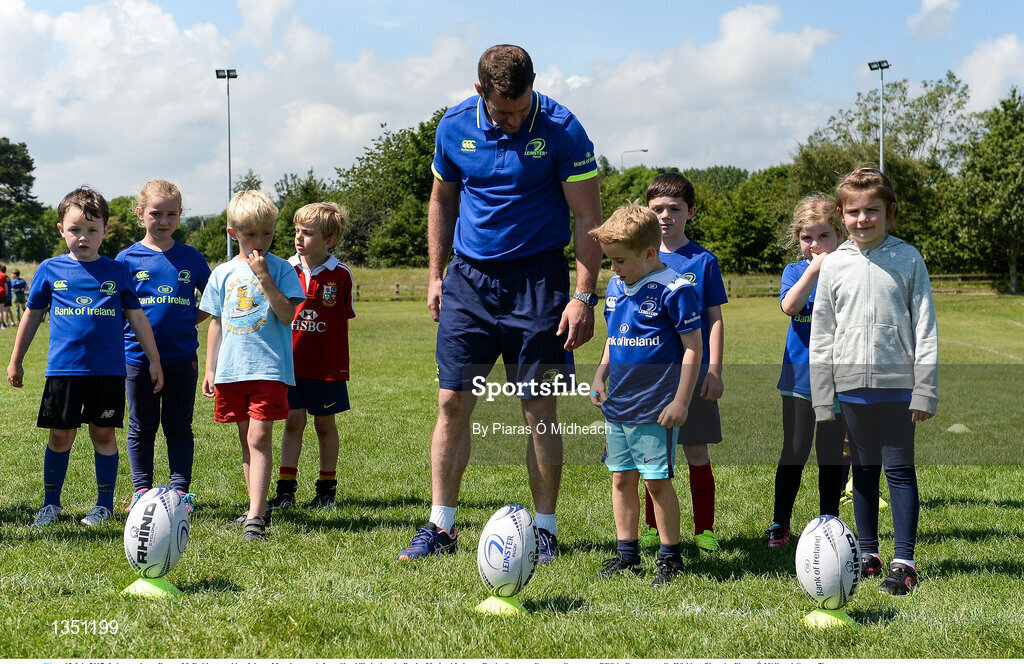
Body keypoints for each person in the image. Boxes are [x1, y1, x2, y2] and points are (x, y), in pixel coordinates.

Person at [397, 44, 603, 562]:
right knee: (451, 401)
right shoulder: (453, 126)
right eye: (500, 112)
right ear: (478, 91)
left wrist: (582, 295)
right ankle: (440, 527)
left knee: (538, 408)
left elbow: (587, 218)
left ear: (534, 85)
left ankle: (546, 530)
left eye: (519, 109)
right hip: (469, 280)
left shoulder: (563, 129)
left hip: (539, 282)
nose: (511, 121)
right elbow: (442, 199)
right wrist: (435, 275)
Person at [810, 167, 938, 595]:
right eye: (854, 211)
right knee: (863, 471)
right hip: (850, 387)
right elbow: (822, 332)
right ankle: (868, 554)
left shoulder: (908, 258)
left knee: (899, 470)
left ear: (890, 211)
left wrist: (924, 388)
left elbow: (925, 327)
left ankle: (904, 562)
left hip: (899, 386)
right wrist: (824, 396)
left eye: (872, 210)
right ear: (841, 214)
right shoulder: (833, 265)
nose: (863, 219)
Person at [6, 186, 164, 527]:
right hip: (63, 371)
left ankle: (103, 505)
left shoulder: (118, 271)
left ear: (105, 231)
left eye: (92, 230)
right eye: (75, 229)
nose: (83, 237)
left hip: (107, 372)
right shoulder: (49, 270)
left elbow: (137, 317)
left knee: (103, 434)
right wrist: (16, 359)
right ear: (61, 229)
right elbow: (31, 316)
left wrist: (153, 359)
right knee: (60, 436)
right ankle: (51, 505)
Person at [588, 204, 702, 586]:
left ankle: (670, 558)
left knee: (656, 482)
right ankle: (627, 555)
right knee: (622, 480)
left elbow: (692, 349)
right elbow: (613, 338)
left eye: (619, 261)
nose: (613, 269)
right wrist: (601, 374)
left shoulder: (677, 289)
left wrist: (681, 400)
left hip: (656, 409)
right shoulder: (617, 287)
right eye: (609, 262)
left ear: (649, 253)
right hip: (618, 405)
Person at [199, 190, 304, 541]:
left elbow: (289, 315)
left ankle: (257, 517)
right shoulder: (223, 273)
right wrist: (210, 368)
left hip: (269, 368)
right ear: (233, 233)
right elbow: (216, 321)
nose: (260, 242)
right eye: (251, 234)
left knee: (260, 436)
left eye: (267, 234)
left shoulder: (282, 269)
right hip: (232, 370)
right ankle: (254, 507)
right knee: (247, 440)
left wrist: (264, 277)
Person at [644, 173, 727, 554]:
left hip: (693, 377)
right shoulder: (641, 257)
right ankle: (650, 527)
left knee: (696, 451)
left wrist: (714, 370)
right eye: (657, 208)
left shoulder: (704, 261)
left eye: (674, 209)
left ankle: (704, 529)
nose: (665, 216)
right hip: (650, 377)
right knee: (652, 454)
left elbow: (714, 319)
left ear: (690, 212)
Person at [117, 180, 212, 513]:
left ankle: (180, 492)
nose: (163, 220)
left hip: (182, 357)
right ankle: (141, 490)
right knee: (141, 425)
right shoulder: (126, 259)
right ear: (141, 214)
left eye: (171, 214)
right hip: (135, 358)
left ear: (180, 215)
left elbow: (215, 299)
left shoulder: (191, 257)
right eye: (156, 213)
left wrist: (189, 320)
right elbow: (115, 308)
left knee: (178, 426)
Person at [765, 196, 846, 549]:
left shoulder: (850, 272)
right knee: (795, 451)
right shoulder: (795, 271)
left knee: (832, 455)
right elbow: (789, 305)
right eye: (806, 237)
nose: (814, 245)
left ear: (840, 234)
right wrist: (814, 269)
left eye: (823, 236)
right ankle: (780, 523)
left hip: (840, 380)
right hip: (799, 381)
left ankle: (830, 523)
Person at [267, 202, 355, 510]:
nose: (298, 237)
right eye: (296, 231)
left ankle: (326, 490)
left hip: (326, 367)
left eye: (307, 233)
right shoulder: (283, 270)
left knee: (324, 425)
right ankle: (286, 490)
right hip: (290, 364)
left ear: (329, 241)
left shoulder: (341, 275)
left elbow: (342, 317)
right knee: (293, 421)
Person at [0, 264, 10, 329]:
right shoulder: (3, 275)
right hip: (2, 293)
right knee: (1, 310)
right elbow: (6, 286)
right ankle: (2, 324)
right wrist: (6, 294)